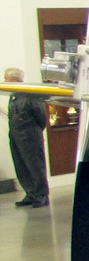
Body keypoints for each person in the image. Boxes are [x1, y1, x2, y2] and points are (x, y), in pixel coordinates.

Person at [5, 67, 50, 209]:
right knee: (21, 165)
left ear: (14, 79)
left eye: (6, 78)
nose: (5, 81)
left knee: (35, 165)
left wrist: (34, 132)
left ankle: (41, 195)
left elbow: (41, 117)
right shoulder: (14, 95)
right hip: (16, 135)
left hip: (29, 135)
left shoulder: (29, 94)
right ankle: (31, 193)